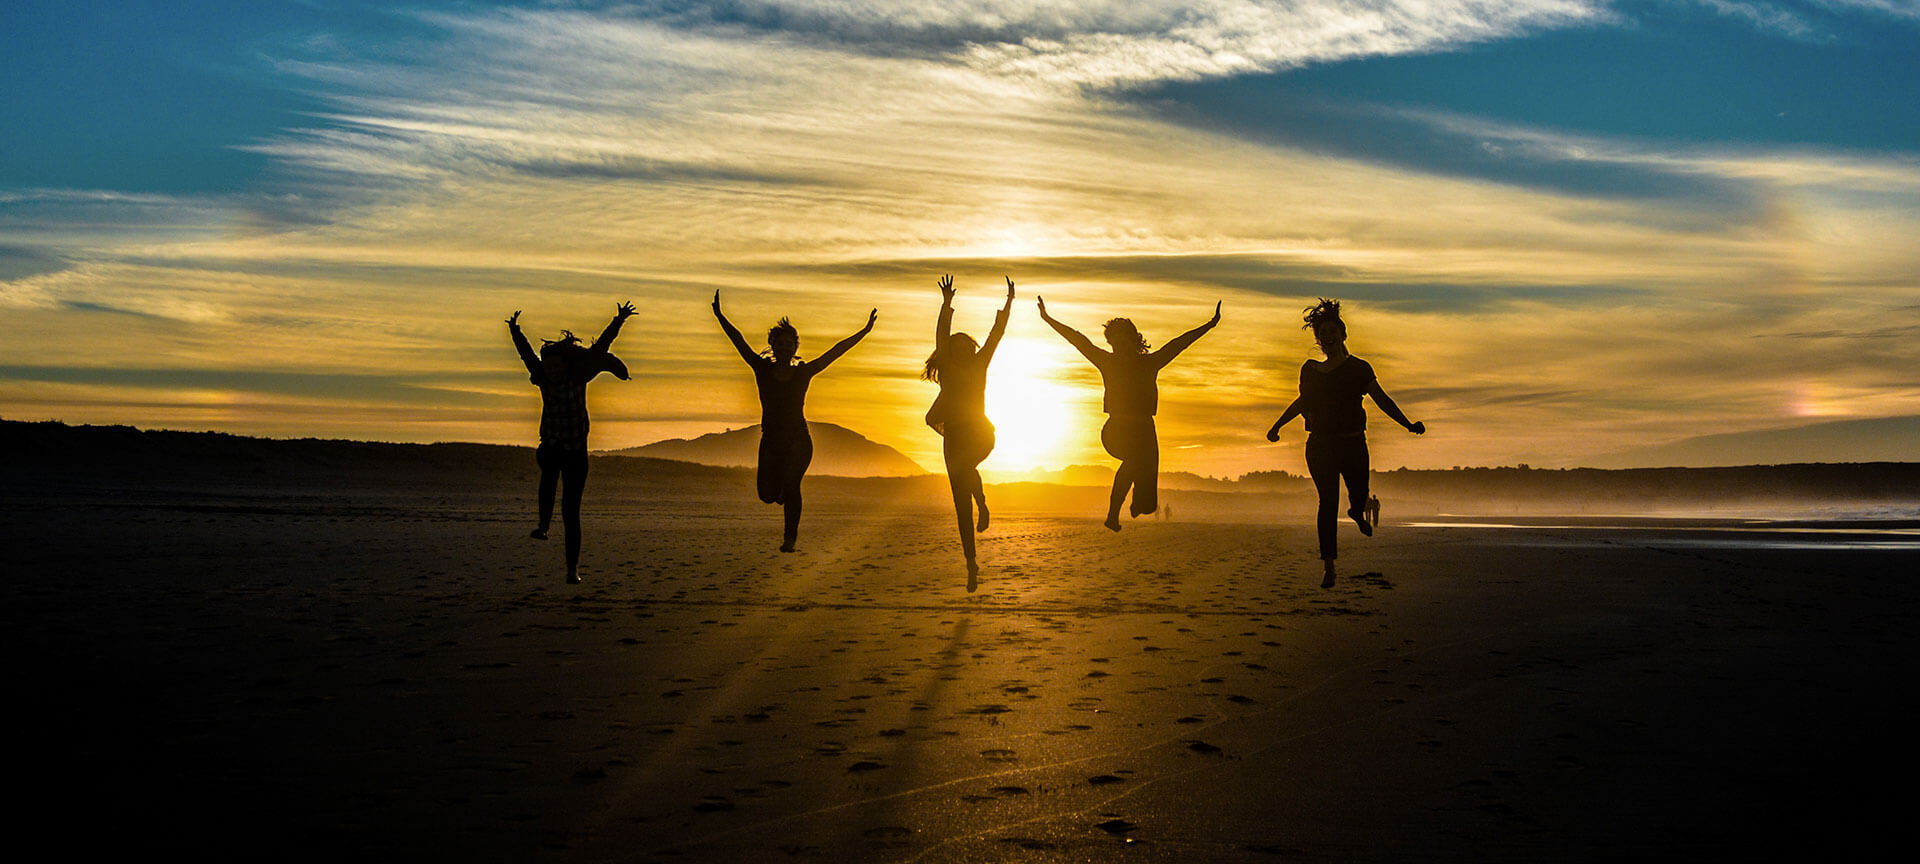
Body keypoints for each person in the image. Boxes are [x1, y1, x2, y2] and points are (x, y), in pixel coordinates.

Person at [1266, 298, 1425, 588]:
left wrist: (1408, 424)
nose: (1326, 337)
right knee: (1327, 502)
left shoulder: (1359, 369)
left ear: (1342, 335)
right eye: (1321, 334)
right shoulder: (1310, 370)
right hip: (1320, 445)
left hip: (1353, 444)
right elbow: (1303, 402)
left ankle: (1356, 510)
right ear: (1318, 339)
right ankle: (1329, 566)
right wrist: (1277, 425)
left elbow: (1382, 400)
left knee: (1358, 493)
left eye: (1331, 332)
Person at [1038, 295, 1220, 531]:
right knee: (1133, 460)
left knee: (1148, 505)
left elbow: (1179, 344)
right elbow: (1078, 340)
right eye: (1114, 345)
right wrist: (1047, 318)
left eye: (1123, 343)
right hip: (1116, 430)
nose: (1119, 349)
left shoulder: (1150, 363)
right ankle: (1112, 515)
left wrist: (1209, 324)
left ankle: (1137, 504)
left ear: (1133, 341)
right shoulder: (1107, 361)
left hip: (1145, 430)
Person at [713, 291, 876, 552]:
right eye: (781, 343)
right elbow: (739, 341)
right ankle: (780, 495)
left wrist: (864, 331)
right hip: (771, 441)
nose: (785, 348)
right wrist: (720, 316)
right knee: (766, 495)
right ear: (773, 344)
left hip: (799, 440)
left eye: (790, 344)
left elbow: (835, 352)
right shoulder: (761, 368)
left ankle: (790, 539)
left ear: (795, 348)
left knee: (791, 485)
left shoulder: (803, 373)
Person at [507, 302, 635, 584]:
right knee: (549, 476)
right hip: (551, 446)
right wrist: (515, 331)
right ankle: (542, 525)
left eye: (555, 366)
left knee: (570, 511)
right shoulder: (542, 379)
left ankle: (571, 569)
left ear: (565, 365)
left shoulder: (578, 376)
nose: (551, 371)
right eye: (548, 366)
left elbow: (600, 348)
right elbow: (526, 355)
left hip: (576, 452)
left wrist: (619, 320)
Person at [924, 274, 1014, 591]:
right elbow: (940, 336)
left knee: (965, 468)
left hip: (981, 433)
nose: (963, 350)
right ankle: (971, 565)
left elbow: (995, 336)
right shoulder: (947, 368)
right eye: (956, 347)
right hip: (955, 439)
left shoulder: (980, 365)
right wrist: (947, 304)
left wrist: (1008, 304)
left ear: (972, 349)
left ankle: (983, 502)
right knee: (961, 506)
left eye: (967, 346)